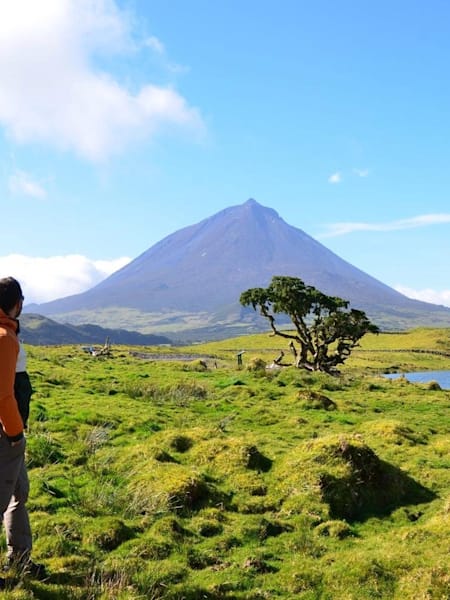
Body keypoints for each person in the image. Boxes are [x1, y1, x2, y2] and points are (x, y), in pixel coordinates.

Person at [0, 277, 45, 585]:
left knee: (20, 492)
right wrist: (16, 433)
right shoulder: (5, 337)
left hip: (9, 431)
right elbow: (3, 394)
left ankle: (21, 560)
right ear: (16, 304)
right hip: (6, 434)